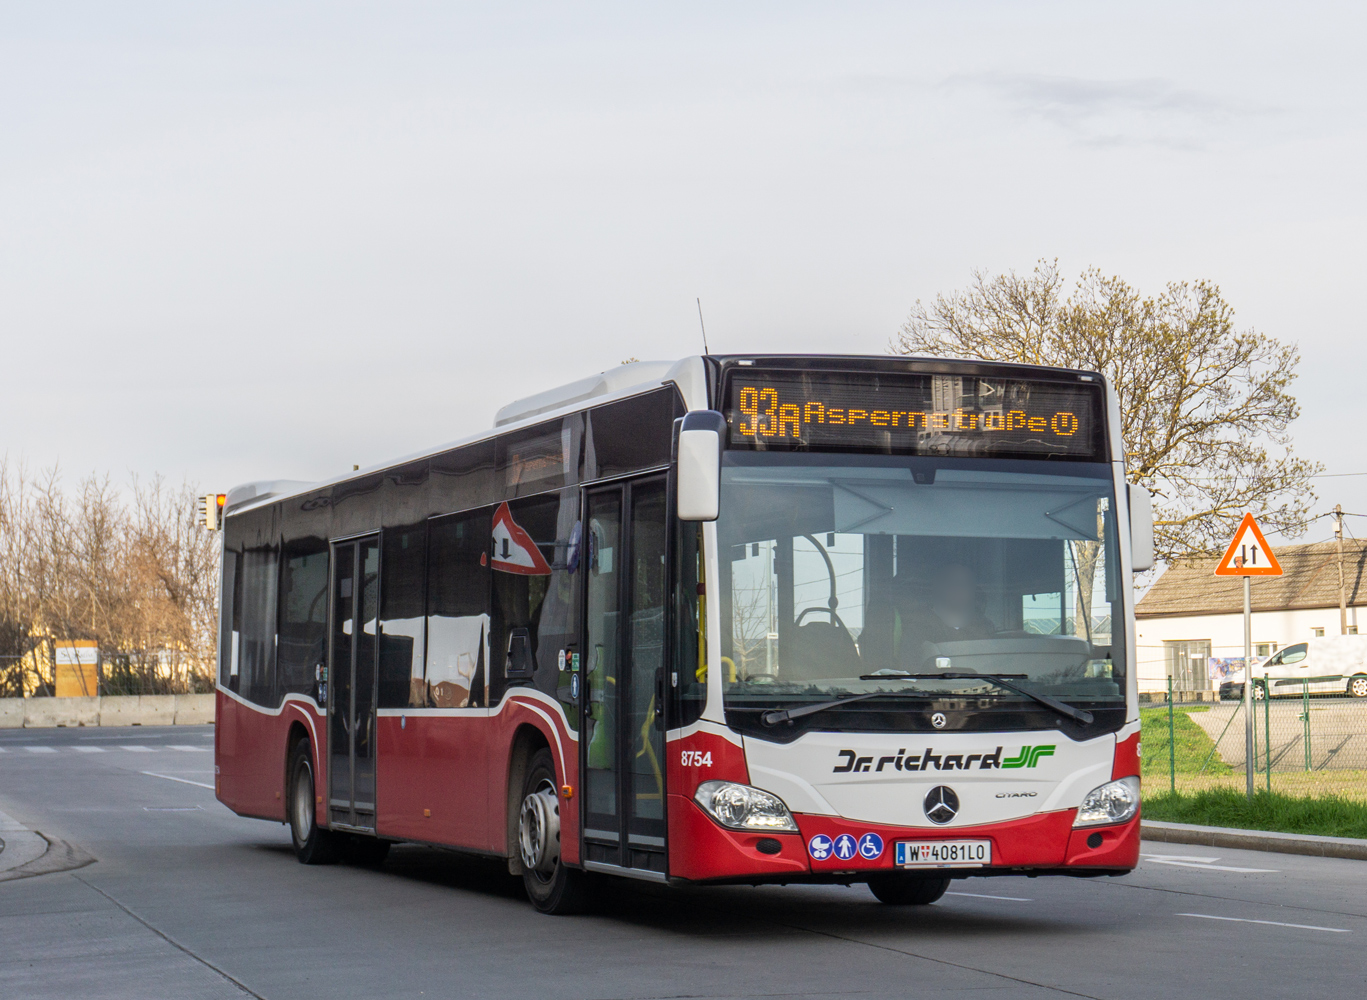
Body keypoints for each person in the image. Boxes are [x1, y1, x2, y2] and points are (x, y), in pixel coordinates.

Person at [898, 563, 996, 668]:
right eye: (952, 582)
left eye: (966, 583)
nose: (959, 589)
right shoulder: (917, 625)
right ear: (938, 585)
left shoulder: (985, 626)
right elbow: (909, 671)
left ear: (974, 589)